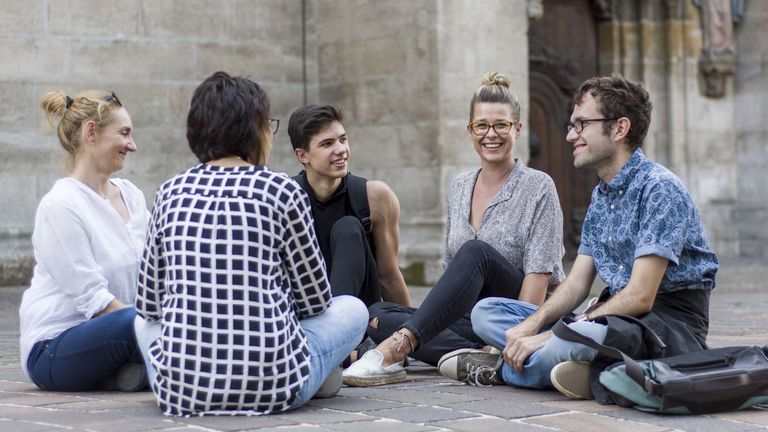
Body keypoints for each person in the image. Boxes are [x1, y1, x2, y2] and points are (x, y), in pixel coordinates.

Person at [438, 75, 718, 403]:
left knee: (571, 337)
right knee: (486, 313)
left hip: (666, 326)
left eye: (581, 124)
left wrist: (552, 336)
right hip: (613, 318)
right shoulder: (601, 196)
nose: (571, 135)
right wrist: (533, 325)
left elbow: (641, 297)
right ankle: (581, 366)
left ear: (619, 128)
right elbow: (575, 285)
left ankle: (502, 369)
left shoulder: (659, 189)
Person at [134, 71, 368, 416]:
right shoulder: (281, 190)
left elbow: (148, 305)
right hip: (274, 388)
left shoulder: (170, 192)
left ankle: (180, 373)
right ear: (255, 130)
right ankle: (318, 377)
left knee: (140, 323)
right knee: (353, 308)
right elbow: (316, 302)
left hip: (182, 393)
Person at [342, 71, 566, 386]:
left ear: (517, 128)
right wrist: (434, 321)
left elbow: (538, 283)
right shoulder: (460, 186)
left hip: (522, 317)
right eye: (481, 125)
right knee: (378, 313)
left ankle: (398, 348)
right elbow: (453, 279)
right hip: (472, 322)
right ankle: (479, 355)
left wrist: (516, 333)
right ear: (469, 131)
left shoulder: (538, 186)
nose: (492, 134)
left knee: (477, 253)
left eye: (501, 124)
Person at [19, 89, 150, 392]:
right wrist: (169, 329)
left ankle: (124, 373)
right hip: (54, 348)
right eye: (124, 133)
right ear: (92, 132)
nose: (132, 145)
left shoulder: (132, 195)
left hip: (124, 331)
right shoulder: (61, 205)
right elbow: (97, 303)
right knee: (130, 323)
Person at [287, 105, 412, 310]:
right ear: (303, 156)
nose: (341, 150)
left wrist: (414, 334)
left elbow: (389, 277)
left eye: (343, 139)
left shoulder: (375, 197)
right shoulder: (285, 199)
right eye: (327, 143)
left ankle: (338, 326)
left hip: (361, 318)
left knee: (348, 228)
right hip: (307, 320)